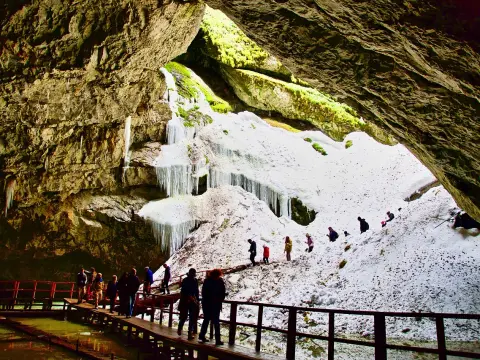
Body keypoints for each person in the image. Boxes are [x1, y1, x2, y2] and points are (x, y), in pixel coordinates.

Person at [198, 269, 226, 346]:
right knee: (216, 322)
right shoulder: (220, 282)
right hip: (215, 304)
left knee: (206, 320)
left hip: (207, 304)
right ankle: (217, 340)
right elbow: (223, 293)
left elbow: (203, 293)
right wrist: (220, 299)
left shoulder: (207, 281)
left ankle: (202, 336)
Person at [177, 268, 200, 340]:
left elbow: (195, 291)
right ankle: (188, 332)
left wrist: (196, 299)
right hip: (188, 300)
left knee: (186, 317)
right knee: (189, 317)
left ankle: (182, 330)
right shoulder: (193, 281)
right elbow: (195, 291)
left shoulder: (186, 280)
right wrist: (195, 299)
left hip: (188, 300)